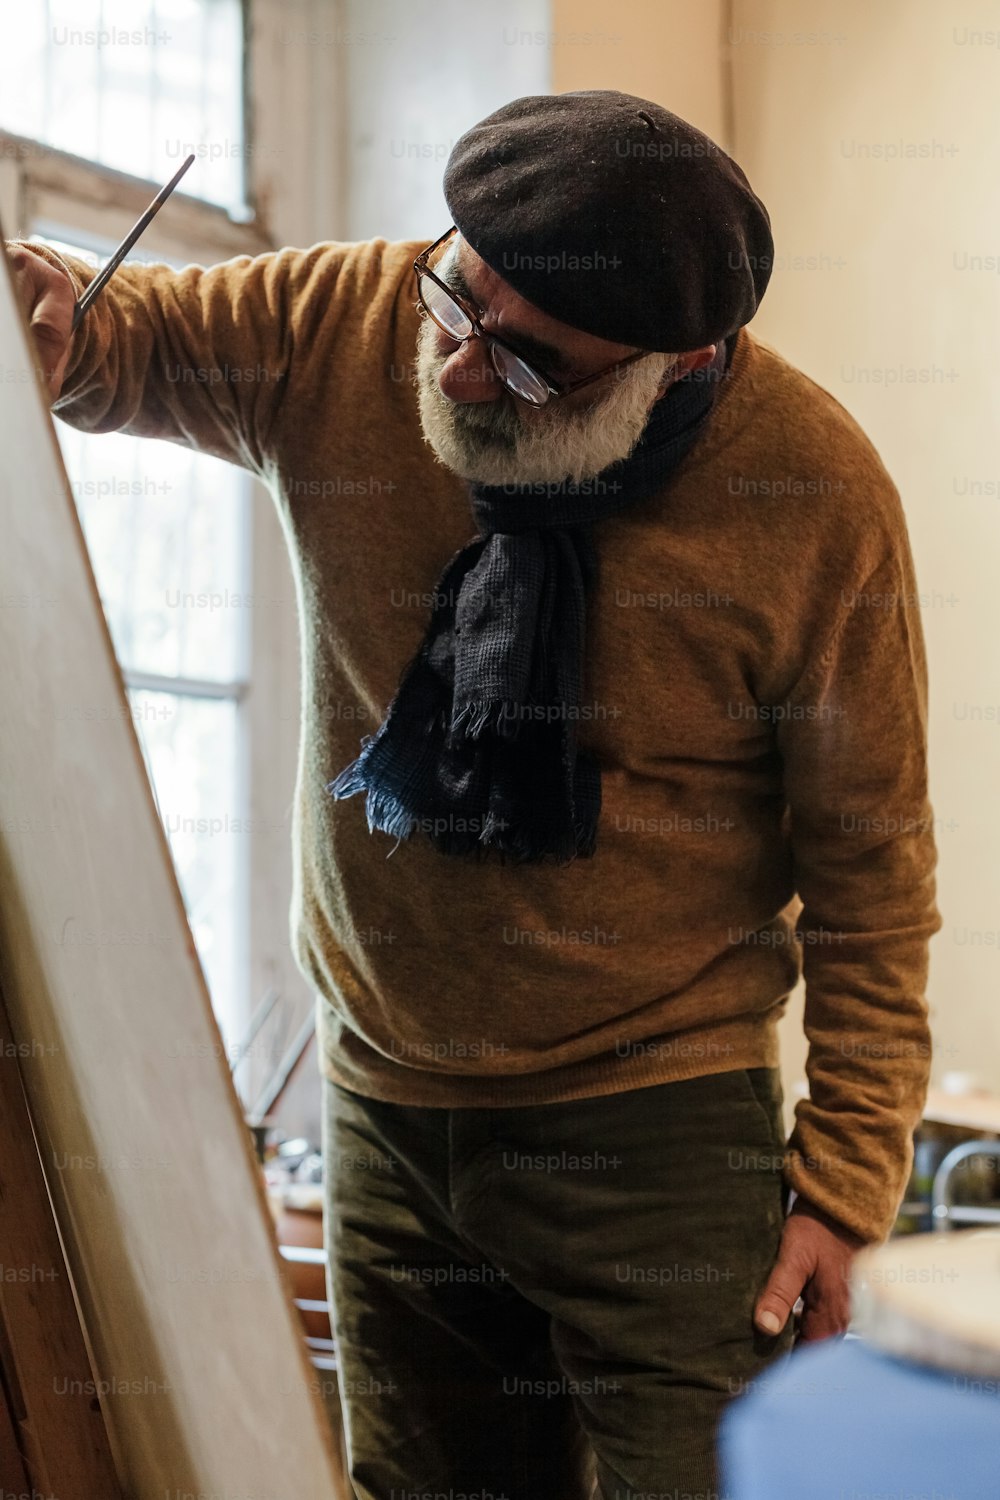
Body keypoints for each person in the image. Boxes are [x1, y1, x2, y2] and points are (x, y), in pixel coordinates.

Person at [8, 88, 941, 1500]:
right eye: (457, 303)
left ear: (680, 359)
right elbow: (118, 341)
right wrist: (56, 312)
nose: (451, 372)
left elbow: (874, 876)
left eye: (526, 365)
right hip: (383, 1098)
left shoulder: (812, 496)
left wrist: (847, 1184)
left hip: (660, 1127)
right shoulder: (355, 319)